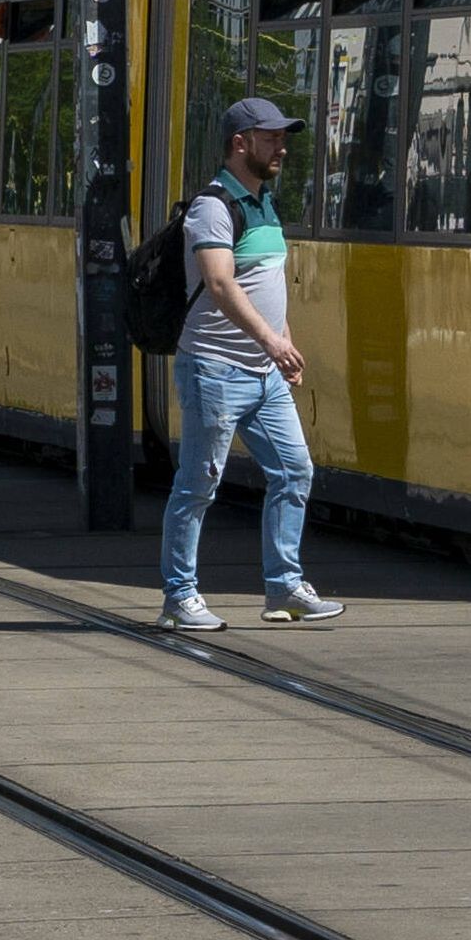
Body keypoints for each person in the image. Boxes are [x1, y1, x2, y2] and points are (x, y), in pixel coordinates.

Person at [159, 94, 335, 635]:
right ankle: (179, 598)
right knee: (198, 484)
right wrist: (271, 341)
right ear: (241, 144)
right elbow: (220, 283)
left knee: (294, 470)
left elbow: (268, 285)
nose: (281, 146)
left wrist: (286, 346)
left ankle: (284, 588)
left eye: (283, 137)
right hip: (214, 368)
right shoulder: (214, 205)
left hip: (263, 372)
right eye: (271, 138)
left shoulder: (264, 203)